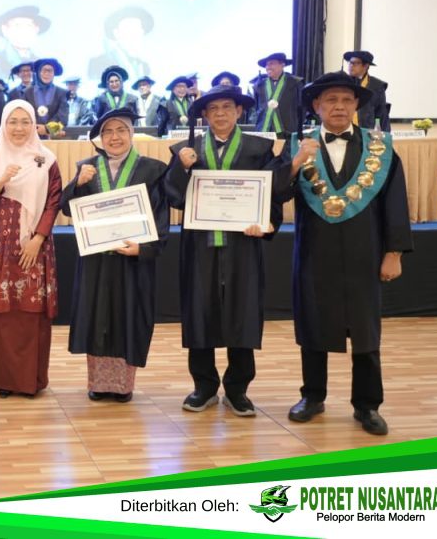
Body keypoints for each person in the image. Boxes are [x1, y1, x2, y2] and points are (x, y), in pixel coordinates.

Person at [283, 71, 412, 435]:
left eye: (346, 100)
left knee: (366, 331)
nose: (338, 107)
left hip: (364, 251)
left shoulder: (380, 148)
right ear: (316, 106)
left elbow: (395, 203)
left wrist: (394, 252)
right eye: (330, 100)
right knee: (312, 324)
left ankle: (367, 405)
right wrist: (294, 163)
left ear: (356, 105)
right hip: (314, 251)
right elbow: (277, 193)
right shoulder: (298, 145)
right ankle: (312, 396)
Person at [164, 85, 288, 417]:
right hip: (199, 245)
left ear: (239, 111)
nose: (220, 113)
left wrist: (268, 223)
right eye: (213, 108)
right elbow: (174, 197)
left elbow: (273, 192)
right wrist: (181, 168)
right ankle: (203, 386)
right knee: (199, 311)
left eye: (227, 107)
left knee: (242, 311)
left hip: (242, 245)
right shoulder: (186, 149)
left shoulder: (259, 149)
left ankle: (237, 389)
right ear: (204, 115)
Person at [60, 109, 170, 402]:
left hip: (132, 259)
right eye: (107, 132)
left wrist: (145, 249)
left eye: (121, 130)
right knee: (97, 317)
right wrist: (77, 184)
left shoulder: (153, 170)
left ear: (132, 133)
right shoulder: (87, 168)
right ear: (100, 138)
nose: (114, 137)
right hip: (96, 261)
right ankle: (98, 383)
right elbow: (67, 208)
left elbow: (161, 216)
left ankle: (123, 386)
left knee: (128, 317)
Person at [0, 101, 61, 397]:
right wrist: (1, 180)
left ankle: (30, 380)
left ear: (34, 124)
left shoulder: (46, 159)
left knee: (30, 310)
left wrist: (38, 239)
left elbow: (53, 202)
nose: (19, 128)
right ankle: (6, 380)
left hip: (34, 245)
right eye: (13, 121)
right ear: (3, 124)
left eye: (25, 121)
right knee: (3, 311)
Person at [87, 6, 154, 80]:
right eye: (130, 29)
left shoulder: (143, 67)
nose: (136, 34)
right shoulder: (97, 63)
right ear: (116, 33)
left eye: (139, 29)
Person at [252, 52, 304, 136]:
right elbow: (256, 109)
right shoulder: (259, 85)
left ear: (282, 64)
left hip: (287, 132)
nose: (268, 67)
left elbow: (301, 109)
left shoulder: (295, 83)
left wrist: (299, 133)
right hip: (263, 132)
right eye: (266, 65)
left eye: (271, 64)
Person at [0, 5, 50, 76]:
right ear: (5, 30)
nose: (24, 31)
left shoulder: (41, 65)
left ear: (36, 30)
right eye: (17, 25)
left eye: (29, 26)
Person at [344, 50, 390, 131]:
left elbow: (381, 114)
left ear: (365, 66)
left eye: (355, 63)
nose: (351, 66)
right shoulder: (343, 83)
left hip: (366, 132)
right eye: (350, 62)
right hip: (344, 130)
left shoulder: (377, 86)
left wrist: (385, 135)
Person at [24, 58, 69, 137]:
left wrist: (47, 129)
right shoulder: (28, 92)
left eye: (50, 71)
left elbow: (63, 119)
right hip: (31, 136)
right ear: (38, 72)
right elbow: (24, 115)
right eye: (44, 70)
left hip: (53, 137)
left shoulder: (61, 92)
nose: (47, 74)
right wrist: (36, 129)